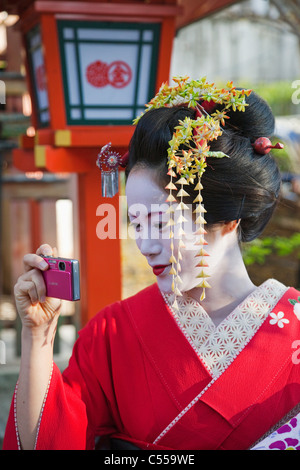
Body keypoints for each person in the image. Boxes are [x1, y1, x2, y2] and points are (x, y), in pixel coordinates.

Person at [3, 77, 300, 451]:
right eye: (136, 223)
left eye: (161, 222)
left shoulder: (296, 331)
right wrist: (38, 337)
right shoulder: (111, 334)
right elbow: (48, 442)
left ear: (228, 216)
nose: (144, 244)